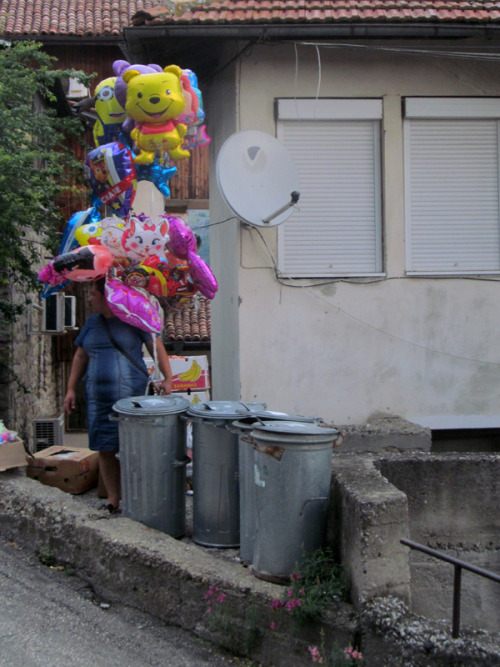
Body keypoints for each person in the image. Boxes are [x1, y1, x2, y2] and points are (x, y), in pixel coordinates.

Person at [64, 278, 173, 512]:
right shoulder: (92, 323)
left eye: (94, 294)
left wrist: (168, 378)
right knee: (105, 447)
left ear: (106, 297)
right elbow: (80, 356)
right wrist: (71, 388)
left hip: (130, 399)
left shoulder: (132, 318)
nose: (91, 299)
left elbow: (156, 346)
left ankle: (139, 497)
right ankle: (113, 499)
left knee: (134, 447)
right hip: (98, 399)